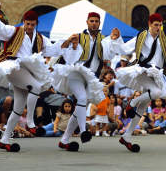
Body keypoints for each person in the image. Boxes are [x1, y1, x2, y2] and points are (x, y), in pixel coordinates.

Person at [0, 1, 72, 152]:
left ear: (36, 24)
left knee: (18, 108)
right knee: (36, 86)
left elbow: (51, 49)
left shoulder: (40, 38)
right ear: (23, 22)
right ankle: (31, 122)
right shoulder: (14, 31)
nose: (29, 27)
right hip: (13, 68)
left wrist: (68, 41)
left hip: (26, 73)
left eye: (32, 24)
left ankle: (4, 140)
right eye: (27, 24)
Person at [51, 12, 123, 151]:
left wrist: (114, 39)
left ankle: (64, 140)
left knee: (81, 106)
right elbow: (68, 57)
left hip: (91, 77)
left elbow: (109, 54)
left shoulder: (103, 39)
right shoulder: (78, 37)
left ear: (99, 23)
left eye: (96, 21)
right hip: (76, 73)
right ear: (87, 22)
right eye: (92, 21)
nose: (94, 23)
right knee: (82, 98)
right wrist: (72, 45)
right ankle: (84, 131)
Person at [112, 13, 166, 152]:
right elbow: (124, 49)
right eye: (155, 25)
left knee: (143, 107)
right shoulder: (141, 36)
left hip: (156, 74)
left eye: (160, 25)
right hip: (142, 71)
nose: (158, 28)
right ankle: (132, 103)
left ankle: (126, 137)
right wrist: (117, 39)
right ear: (149, 24)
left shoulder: (165, 38)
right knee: (157, 92)